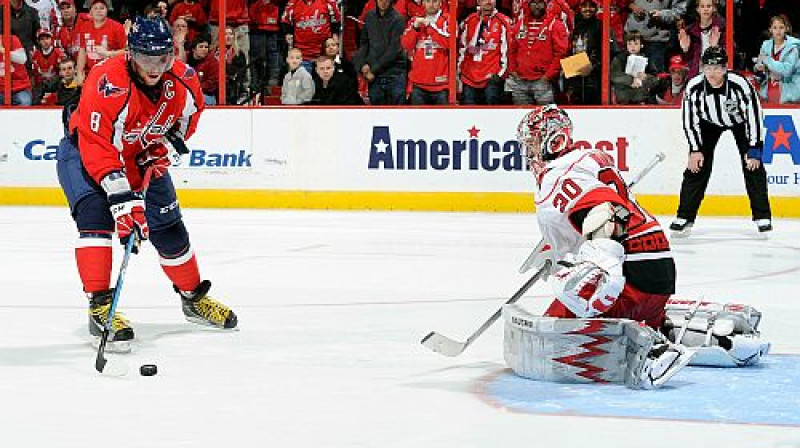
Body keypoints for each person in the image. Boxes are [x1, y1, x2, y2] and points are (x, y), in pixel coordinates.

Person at [55, 16, 238, 352]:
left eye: (162, 58)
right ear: (130, 54)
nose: (154, 67)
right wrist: (125, 204)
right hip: (85, 155)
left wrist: (164, 151)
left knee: (169, 229)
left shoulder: (184, 81)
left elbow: (188, 120)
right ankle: (100, 306)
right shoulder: (107, 79)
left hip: (141, 156)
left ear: (172, 53)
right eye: (145, 59)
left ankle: (193, 298)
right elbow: (98, 145)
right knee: (96, 221)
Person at [510, 104, 692, 389]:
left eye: (532, 143)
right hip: (659, 272)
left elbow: (607, 211)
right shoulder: (590, 158)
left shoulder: (556, 176)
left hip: (631, 280)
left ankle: (651, 349)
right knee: (631, 311)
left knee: (553, 344)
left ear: (553, 140)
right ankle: (661, 327)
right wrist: (557, 251)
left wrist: (601, 270)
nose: (529, 152)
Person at [670, 46, 772, 236]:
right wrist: (695, 149)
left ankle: (762, 217)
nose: (712, 73)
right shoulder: (694, 86)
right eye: (708, 68)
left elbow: (754, 115)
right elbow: (689, 120)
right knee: (696, 167)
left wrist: (754, 148)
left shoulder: (739, 84)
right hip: (708, 123)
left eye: (717, 68)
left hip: (740, 123)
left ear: (725, 68)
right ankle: (685, 216)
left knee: (753, 166)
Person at [507, 0, 568, 105]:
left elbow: (561, 53)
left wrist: (548, 76)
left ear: (545, 4)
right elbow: (512, 49)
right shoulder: (520, 24)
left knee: (546, 116)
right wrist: (512, 69)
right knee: (522, 117)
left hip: (543, 81)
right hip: (520, 80)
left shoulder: (555, 24)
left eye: (540, 2)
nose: (537, 6)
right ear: (528, 5)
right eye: (533, 3)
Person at [352, 0, 407, 105]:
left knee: (397, 114)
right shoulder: (369, 17)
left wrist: (373, 70)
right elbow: (364, 43)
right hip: (375, 76)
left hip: (394, 73)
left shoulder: (398, 19)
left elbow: (394, 50)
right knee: (377, 114)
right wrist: (363, 64)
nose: (383, 2)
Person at [457, 0, 512, 105]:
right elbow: (462, 48)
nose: (488, 2)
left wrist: (500, 75)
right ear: (478, 1)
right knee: (469, 117)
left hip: (491, 78)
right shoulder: (469, 20)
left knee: (491, 117)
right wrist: (459, 70)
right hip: (469, 77)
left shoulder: (504, 21)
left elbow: (508, 51)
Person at [402, 0, 451, 105]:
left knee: (443, 121)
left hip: (441, 85)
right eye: (428, 1)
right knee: (418, 121)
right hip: (418, 84)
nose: (431, 4)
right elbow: (406, 45)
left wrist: (429, 27)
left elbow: (449, 43)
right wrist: (415, 28)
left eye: (434, 1)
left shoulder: (448, 19)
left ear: (440, 3)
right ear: (423, 3)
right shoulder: (414, 20)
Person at [74, 0, 127, 84]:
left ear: (107, 10)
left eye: (102, 8)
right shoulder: (84, 27)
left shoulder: (117, 27)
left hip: (111, 73)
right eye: (95, 8)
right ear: (90, 11)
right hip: (90, 73)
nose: (99, 11)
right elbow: (82, 50)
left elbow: (127, 51)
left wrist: (109, 53)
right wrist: (79, 72)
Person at [754, 14, 800, 104]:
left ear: (786, 29)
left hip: (789, 96)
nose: (778, 31)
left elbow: (787, 70)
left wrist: (767, 60)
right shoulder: (765, 45)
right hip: (768, 93)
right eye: (775, 28)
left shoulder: (793, 48)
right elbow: (759, 65)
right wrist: (759, 68)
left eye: (781, 27)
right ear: (770, 30)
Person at [610, 30, 657, 104]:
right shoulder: (619, 59)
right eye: (629, 44)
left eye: (636, 44)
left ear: (641, 45)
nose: (632, 47)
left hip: (641, 99)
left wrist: (646, 77)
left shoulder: (647, 59)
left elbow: (655, 79)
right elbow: (614, 75)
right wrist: (630, 80)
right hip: (623, 99)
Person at [31, 27, 67, 105]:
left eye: (47, 38)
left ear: (51, 39)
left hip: (56, 84)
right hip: (40, 85)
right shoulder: (35, 54)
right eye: (42, 39)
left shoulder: (58, 52)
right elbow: (34, 74)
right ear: (39, 41)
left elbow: (65, 71)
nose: (45, 41)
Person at [0, 33, 34, 106]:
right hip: (1, 90)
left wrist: (3, 50)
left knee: (24, 102)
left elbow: (22, 59)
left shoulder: (12, 39)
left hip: (19, 88)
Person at [186, 35, 219, 105]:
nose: (204, 49)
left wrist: (194, 88)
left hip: (206, 95)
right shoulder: (185, 59)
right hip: (187, 93)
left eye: (206, 47)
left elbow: (212, 83)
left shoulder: (213, 62)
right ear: (193, 49)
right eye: (201, 47)